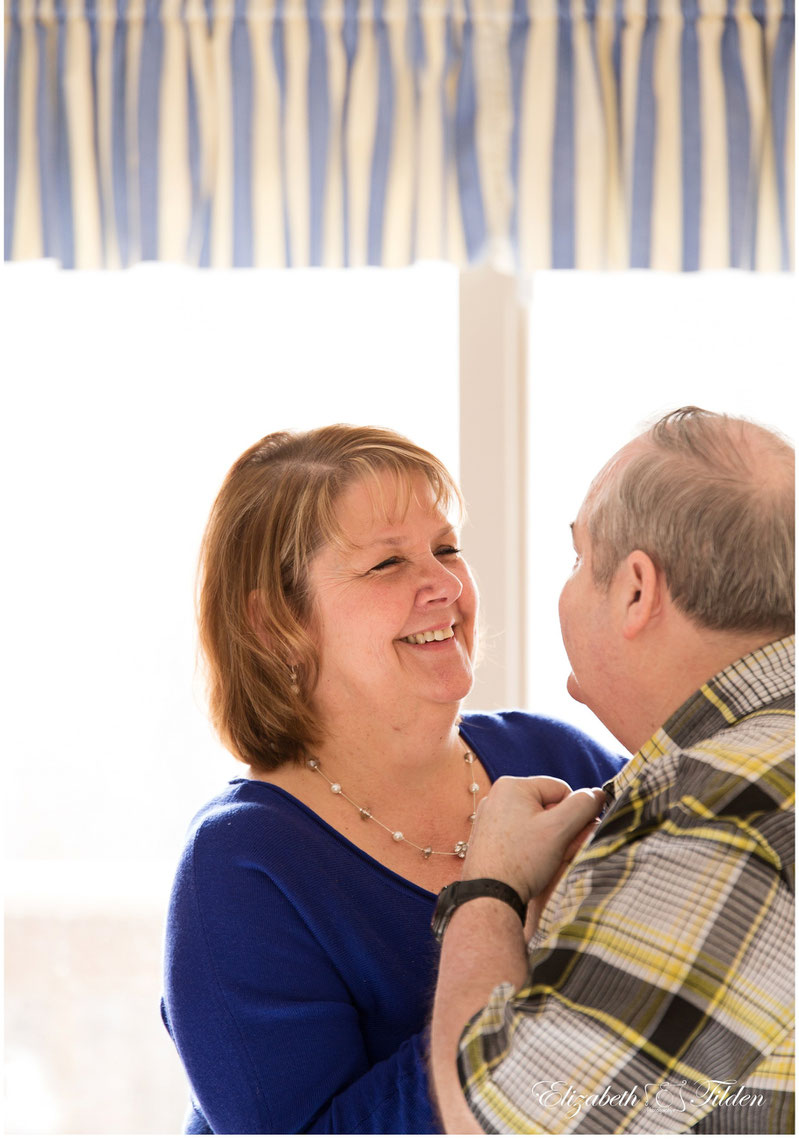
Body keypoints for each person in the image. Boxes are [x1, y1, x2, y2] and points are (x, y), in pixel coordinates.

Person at [161, 425, 624, 1135]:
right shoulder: (239, 866)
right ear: (277, 621)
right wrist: (512, 942)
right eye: (386, 564)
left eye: (446, 548)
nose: (443, 584)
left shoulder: (556, 754)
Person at [430, 406, 794, 1135]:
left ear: (635, 589)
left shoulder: (715, 816)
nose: (445, 588)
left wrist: (488, 886)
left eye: (576, 557)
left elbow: (502, 1119)